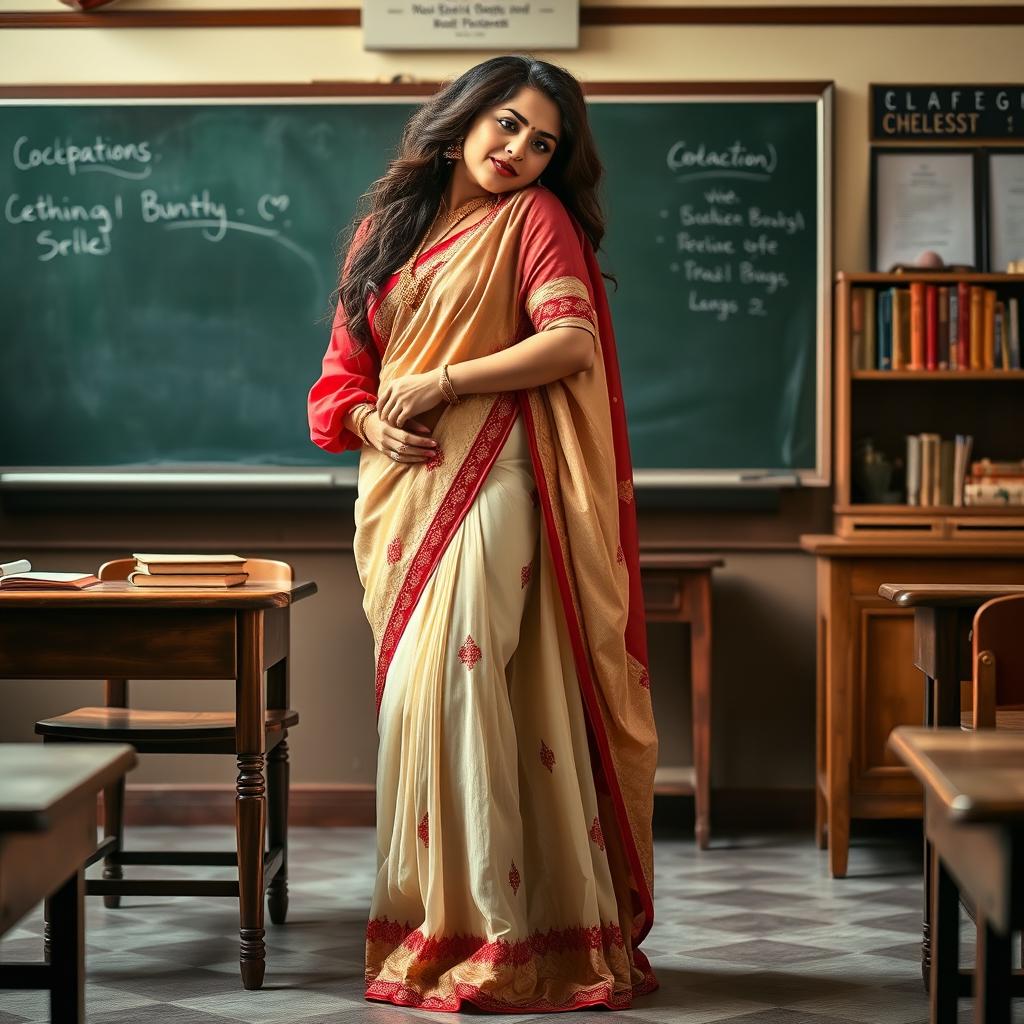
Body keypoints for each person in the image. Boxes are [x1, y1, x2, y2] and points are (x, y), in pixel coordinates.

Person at [308, 54, 658, 1013]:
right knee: (416, 707)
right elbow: (342, 379)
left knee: (461, 684)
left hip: (496, 472)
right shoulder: (386, 231)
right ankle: (436, 923)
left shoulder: (533, 219)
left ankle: (500, 936)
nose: (519, 150)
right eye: (508, 124)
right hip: (399, 492)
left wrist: (445, 382)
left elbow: (570, 343)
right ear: (463, 116)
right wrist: (372, 417)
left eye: (543, 142)